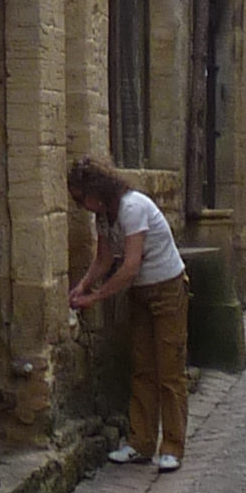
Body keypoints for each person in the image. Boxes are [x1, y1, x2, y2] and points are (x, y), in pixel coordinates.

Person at [67, 156, 189, 471]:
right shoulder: (104, 217)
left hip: (166, 287)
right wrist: (82, 286)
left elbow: (130, 265)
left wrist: (96, 297)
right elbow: (104, 260)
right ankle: (141, 442)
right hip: (141, 293)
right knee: (143, 366)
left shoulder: (133, 208)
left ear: (96, 190)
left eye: (82, 198)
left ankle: (173, 445)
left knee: (170, 368)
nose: (82, 205)